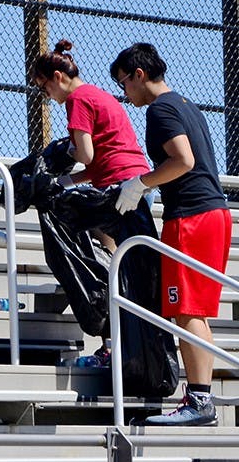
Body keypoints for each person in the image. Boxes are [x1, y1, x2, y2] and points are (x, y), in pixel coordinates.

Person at [110, 43, 231, 426]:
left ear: (139, 75)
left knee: (185, 309)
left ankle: (199, 402)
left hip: (193, 216)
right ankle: (201, 398)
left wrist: (140, 183)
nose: (125, 96)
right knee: (193, 310)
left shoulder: (161, 109)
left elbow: (183, 160)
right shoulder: (186, 104)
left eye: (124, 84)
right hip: (214, 212)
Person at [32, 39, 151, 251]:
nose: (47, 96)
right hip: (137, 181)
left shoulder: (76, 99)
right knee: (131, 258)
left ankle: (102, 280)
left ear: (57, 77)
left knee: (72, 218)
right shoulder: (98, 94)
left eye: (44, 88)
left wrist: (70, 151)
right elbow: (99, 164)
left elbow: (86, 155)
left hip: (117, 186)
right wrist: (65, 180)